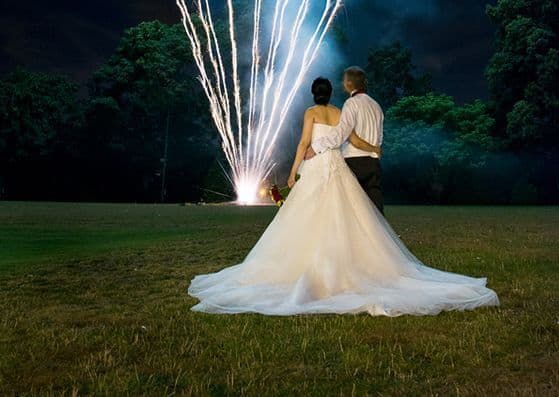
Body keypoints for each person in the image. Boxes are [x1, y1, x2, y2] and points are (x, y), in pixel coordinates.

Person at [188, 73, 499, 317]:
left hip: (316, 165)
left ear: (314, 94)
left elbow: (302, 144)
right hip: (337, 165)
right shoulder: (340, 111)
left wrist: (294, 171)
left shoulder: (311, 112)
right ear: (331, 94)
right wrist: (374, 148)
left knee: (305, 217)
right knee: (346, 214)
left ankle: (310, 265)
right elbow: (350, 138)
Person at [304, 66, 384, 213]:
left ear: (348, 83)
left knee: (355, 210)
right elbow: (378, 137)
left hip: (354, 160)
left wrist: (317, 146)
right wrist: (374, 150)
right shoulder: (376, 106)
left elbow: (342, 133)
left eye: (343, 80)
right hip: (373, 162)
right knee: (375, 209)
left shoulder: (351, 104)